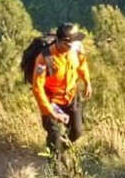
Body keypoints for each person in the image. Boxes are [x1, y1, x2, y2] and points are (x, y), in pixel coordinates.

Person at [31, 23, 92, 155]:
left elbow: (82, 64)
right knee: (55, 133)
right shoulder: (45, 59)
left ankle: (59, 149)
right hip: (52, 101)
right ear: (63, 42)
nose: (77, 44)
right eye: (73, 42)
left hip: (71, 96)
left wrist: (87, 81)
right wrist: (50, 112)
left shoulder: (76, 49)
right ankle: (55, 165)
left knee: (77, 131)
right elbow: (37, 88)